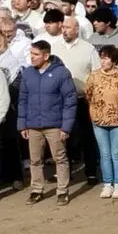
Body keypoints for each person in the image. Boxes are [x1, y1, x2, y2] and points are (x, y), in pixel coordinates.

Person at [18, 40, 77, 205]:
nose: (32, 57)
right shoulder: (28, 73)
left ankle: (62, 191)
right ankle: (37, 190)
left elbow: (70, 101)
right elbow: (22, 100)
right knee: (35, 160)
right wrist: (22, 124)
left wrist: (66, 127)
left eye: (36, 54)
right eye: (31, 54)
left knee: (60, 158)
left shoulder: (61, 73)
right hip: (33, 125)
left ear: (46, 55)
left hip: (55, 125)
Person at [53, 16, 100, 184]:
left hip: (82, 100)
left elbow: (96, 74)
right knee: (63, 137)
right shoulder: (54, 47)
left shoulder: (88, 49)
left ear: (77, 29)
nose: (64, 30)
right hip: (60, 101)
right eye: (63, 27)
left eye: (68, 27)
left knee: (87, 137)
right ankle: (64, 171)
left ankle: (91, 171)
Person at [84, 45, 118, 200]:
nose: (103, 61)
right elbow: (88, 94)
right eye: (102, 57)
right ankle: (107, 184)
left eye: (106, 57)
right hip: (99, 119)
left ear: (113, 60)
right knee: (104, 153)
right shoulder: (94, 76)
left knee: (116, 152)